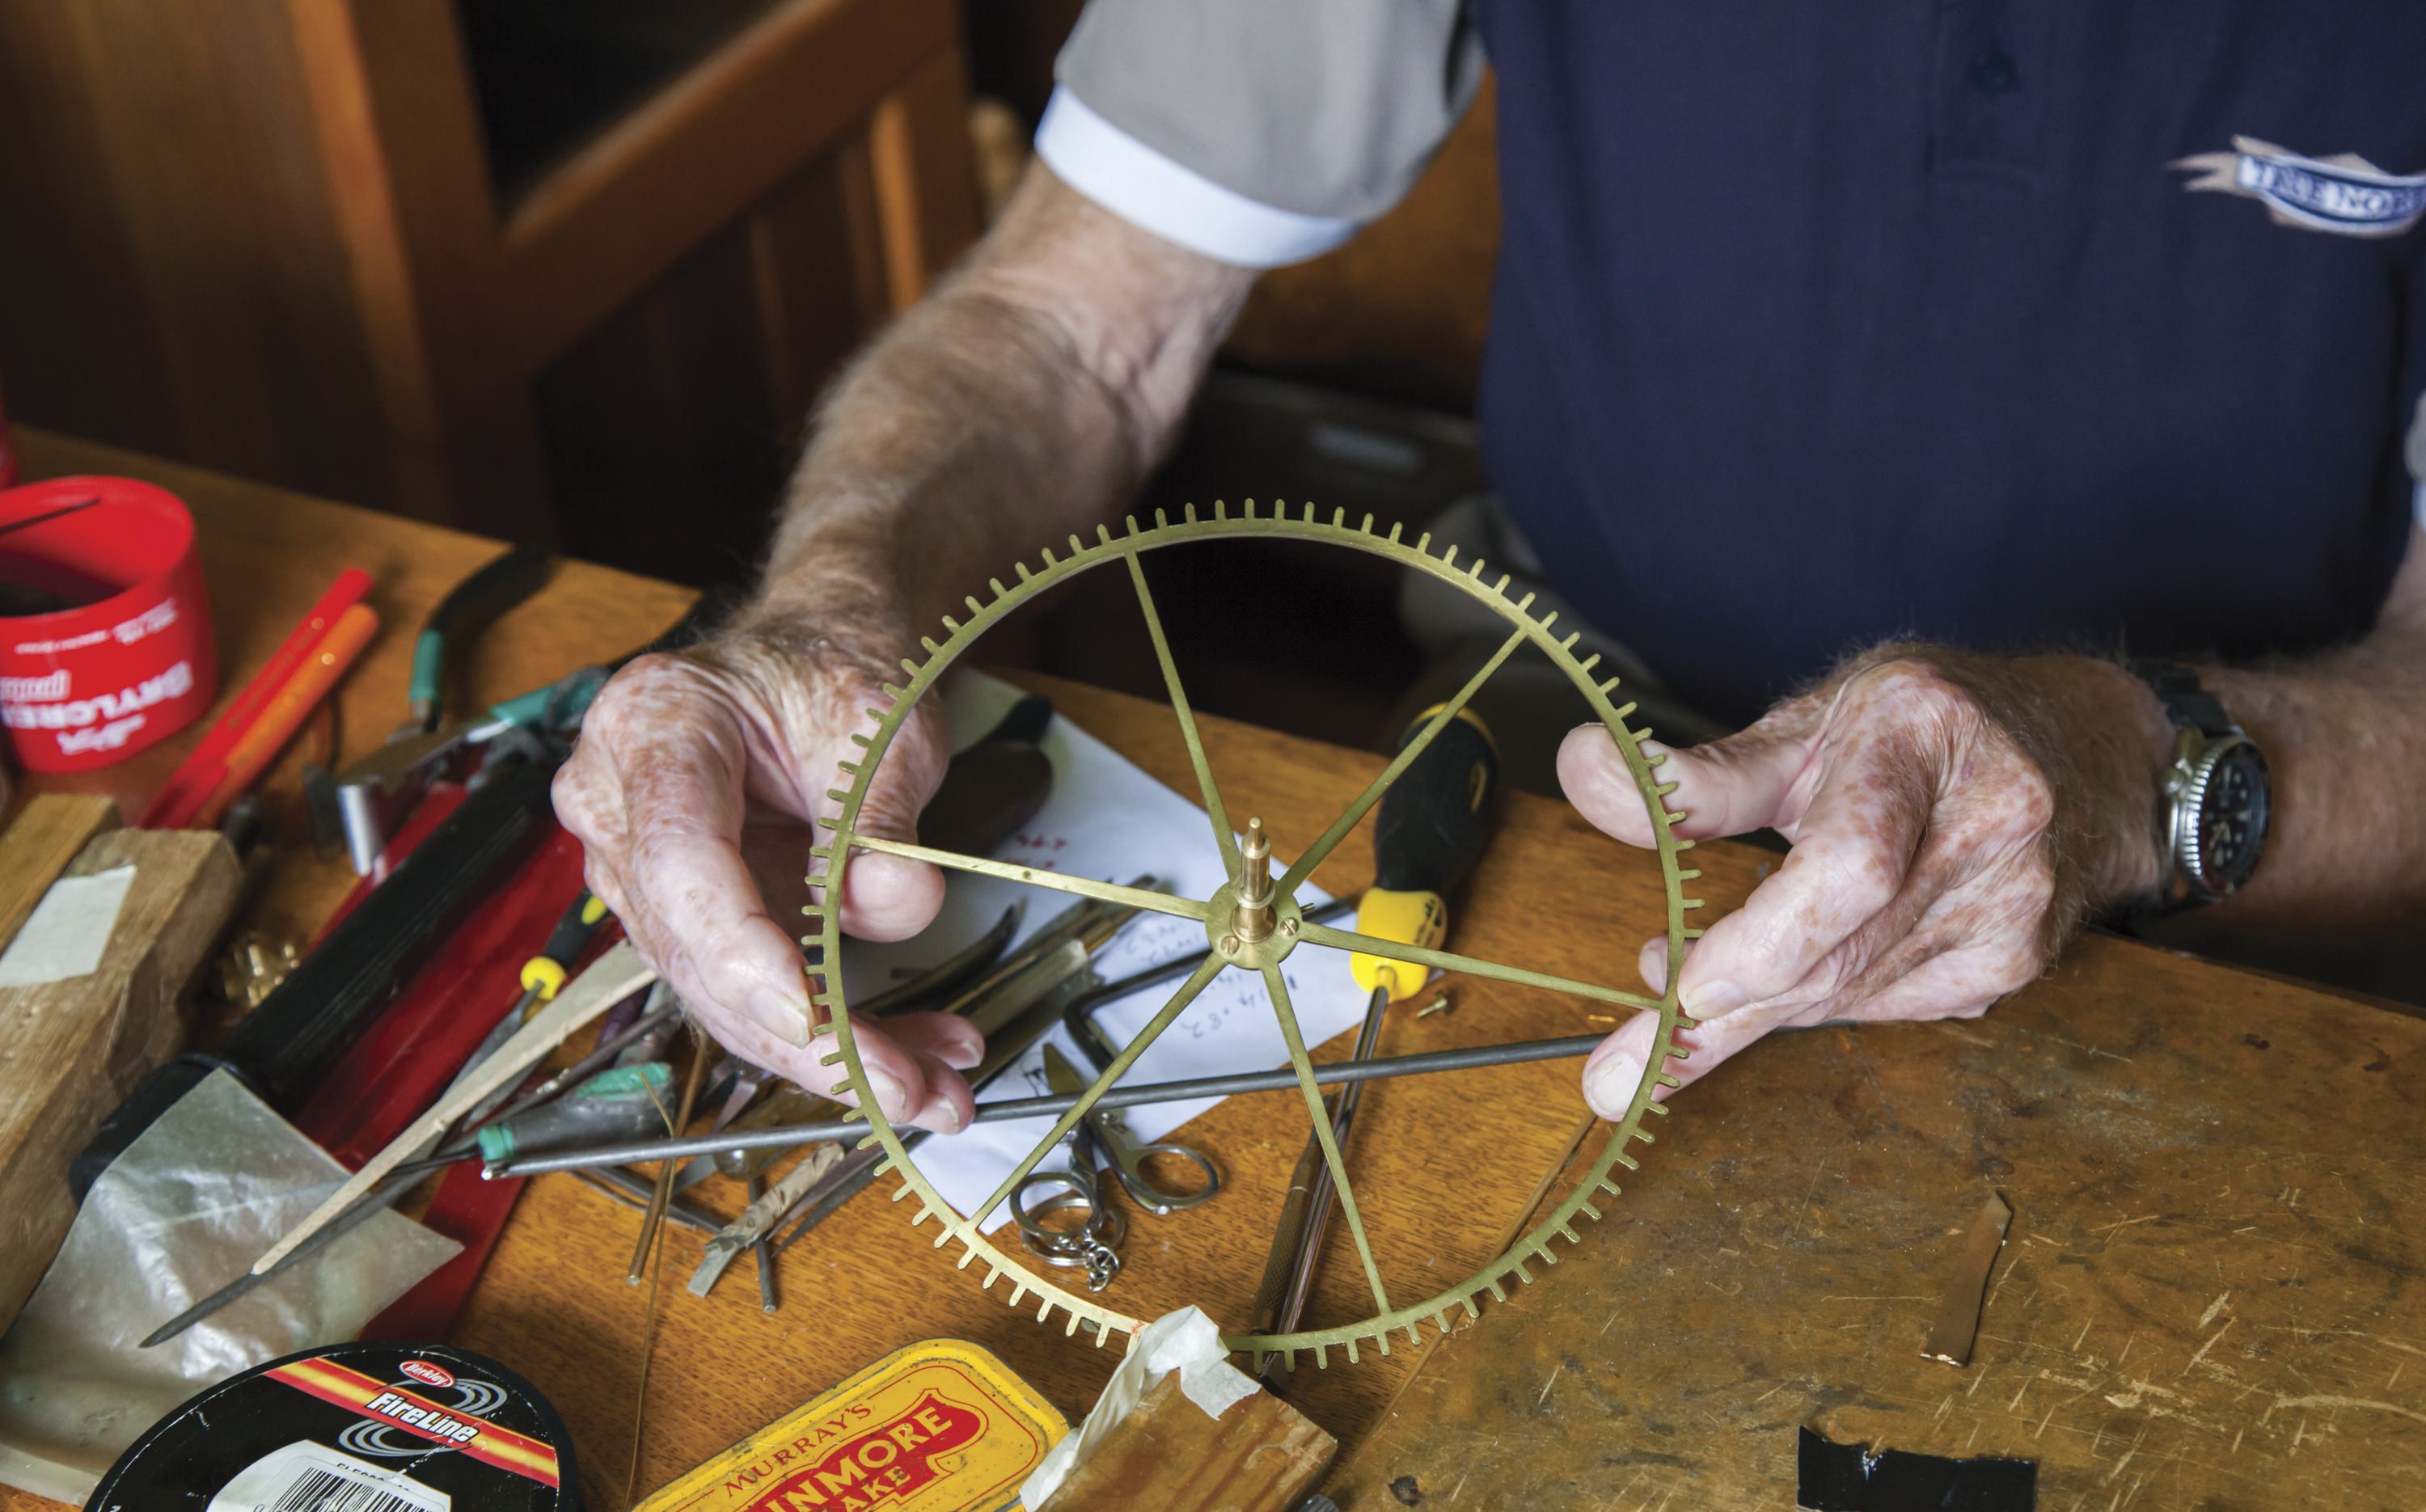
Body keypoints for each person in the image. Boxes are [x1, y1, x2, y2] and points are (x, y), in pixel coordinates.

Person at [554, 2, 2426, 1130]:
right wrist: (827, 619)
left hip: (2240, 868)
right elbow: (1065, 331)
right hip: (1560, 785)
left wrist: (2117, 777)